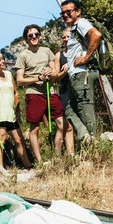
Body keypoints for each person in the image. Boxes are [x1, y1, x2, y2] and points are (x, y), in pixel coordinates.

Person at [14, 23, 66, 165]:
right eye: (30, 35)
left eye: (36, 34)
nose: (34, 37)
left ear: (40, 36)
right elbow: (19, 80)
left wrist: (51, 73)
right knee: (34, 129)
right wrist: (38, 78)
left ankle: (57, 157)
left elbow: (55, 72)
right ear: (26, 39)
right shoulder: (23, 55)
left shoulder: (47, 50)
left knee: (61, 124)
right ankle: (40, 162)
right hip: (34, 93)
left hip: (50, 91)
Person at [58, 0, 103, 145]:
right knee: (69, 109)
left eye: (68, 12)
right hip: (76, 75)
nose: (65, 15)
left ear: (78, 12)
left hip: (82, 73)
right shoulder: (72, 28)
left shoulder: (81, 23)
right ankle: (86, 137)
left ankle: (93, 144)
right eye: (62, 13)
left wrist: (86, 58)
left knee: (85, 108)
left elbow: (96, 35)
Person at [0, 51, 30, 170]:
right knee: (1, 139)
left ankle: (28, 165)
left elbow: (15, 92)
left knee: (19, 140)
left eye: (2, 59)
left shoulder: (8, 74)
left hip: (10, 113)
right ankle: (0, 167)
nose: (3, 61)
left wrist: (18, 110)